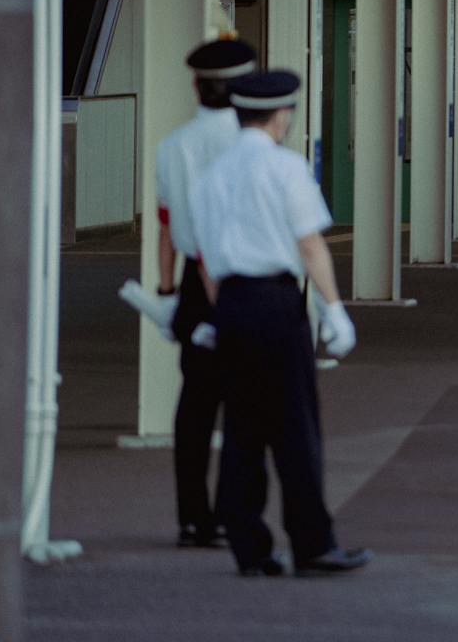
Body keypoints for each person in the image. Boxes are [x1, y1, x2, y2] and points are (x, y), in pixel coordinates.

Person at [190, 69, 371, 578]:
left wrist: (216, 315)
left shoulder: (210, 176)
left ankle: (250, 547)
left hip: (231, 305)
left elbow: (204, 259)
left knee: (243, 428)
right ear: (281, 114)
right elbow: (309, 244)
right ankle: (313, 544)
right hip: (275, 303)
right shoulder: (287, 169)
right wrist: (334, 309)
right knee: (294, 427)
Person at [154, 38, 257, 548]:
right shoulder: (252, 143)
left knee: (195, 404)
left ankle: (191, 518)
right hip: (246, 281)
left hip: (195, 282)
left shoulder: (172, 145)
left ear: (195, 86)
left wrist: (166, 290)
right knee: (244, 406)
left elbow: (166, 223)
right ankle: (230, 515)